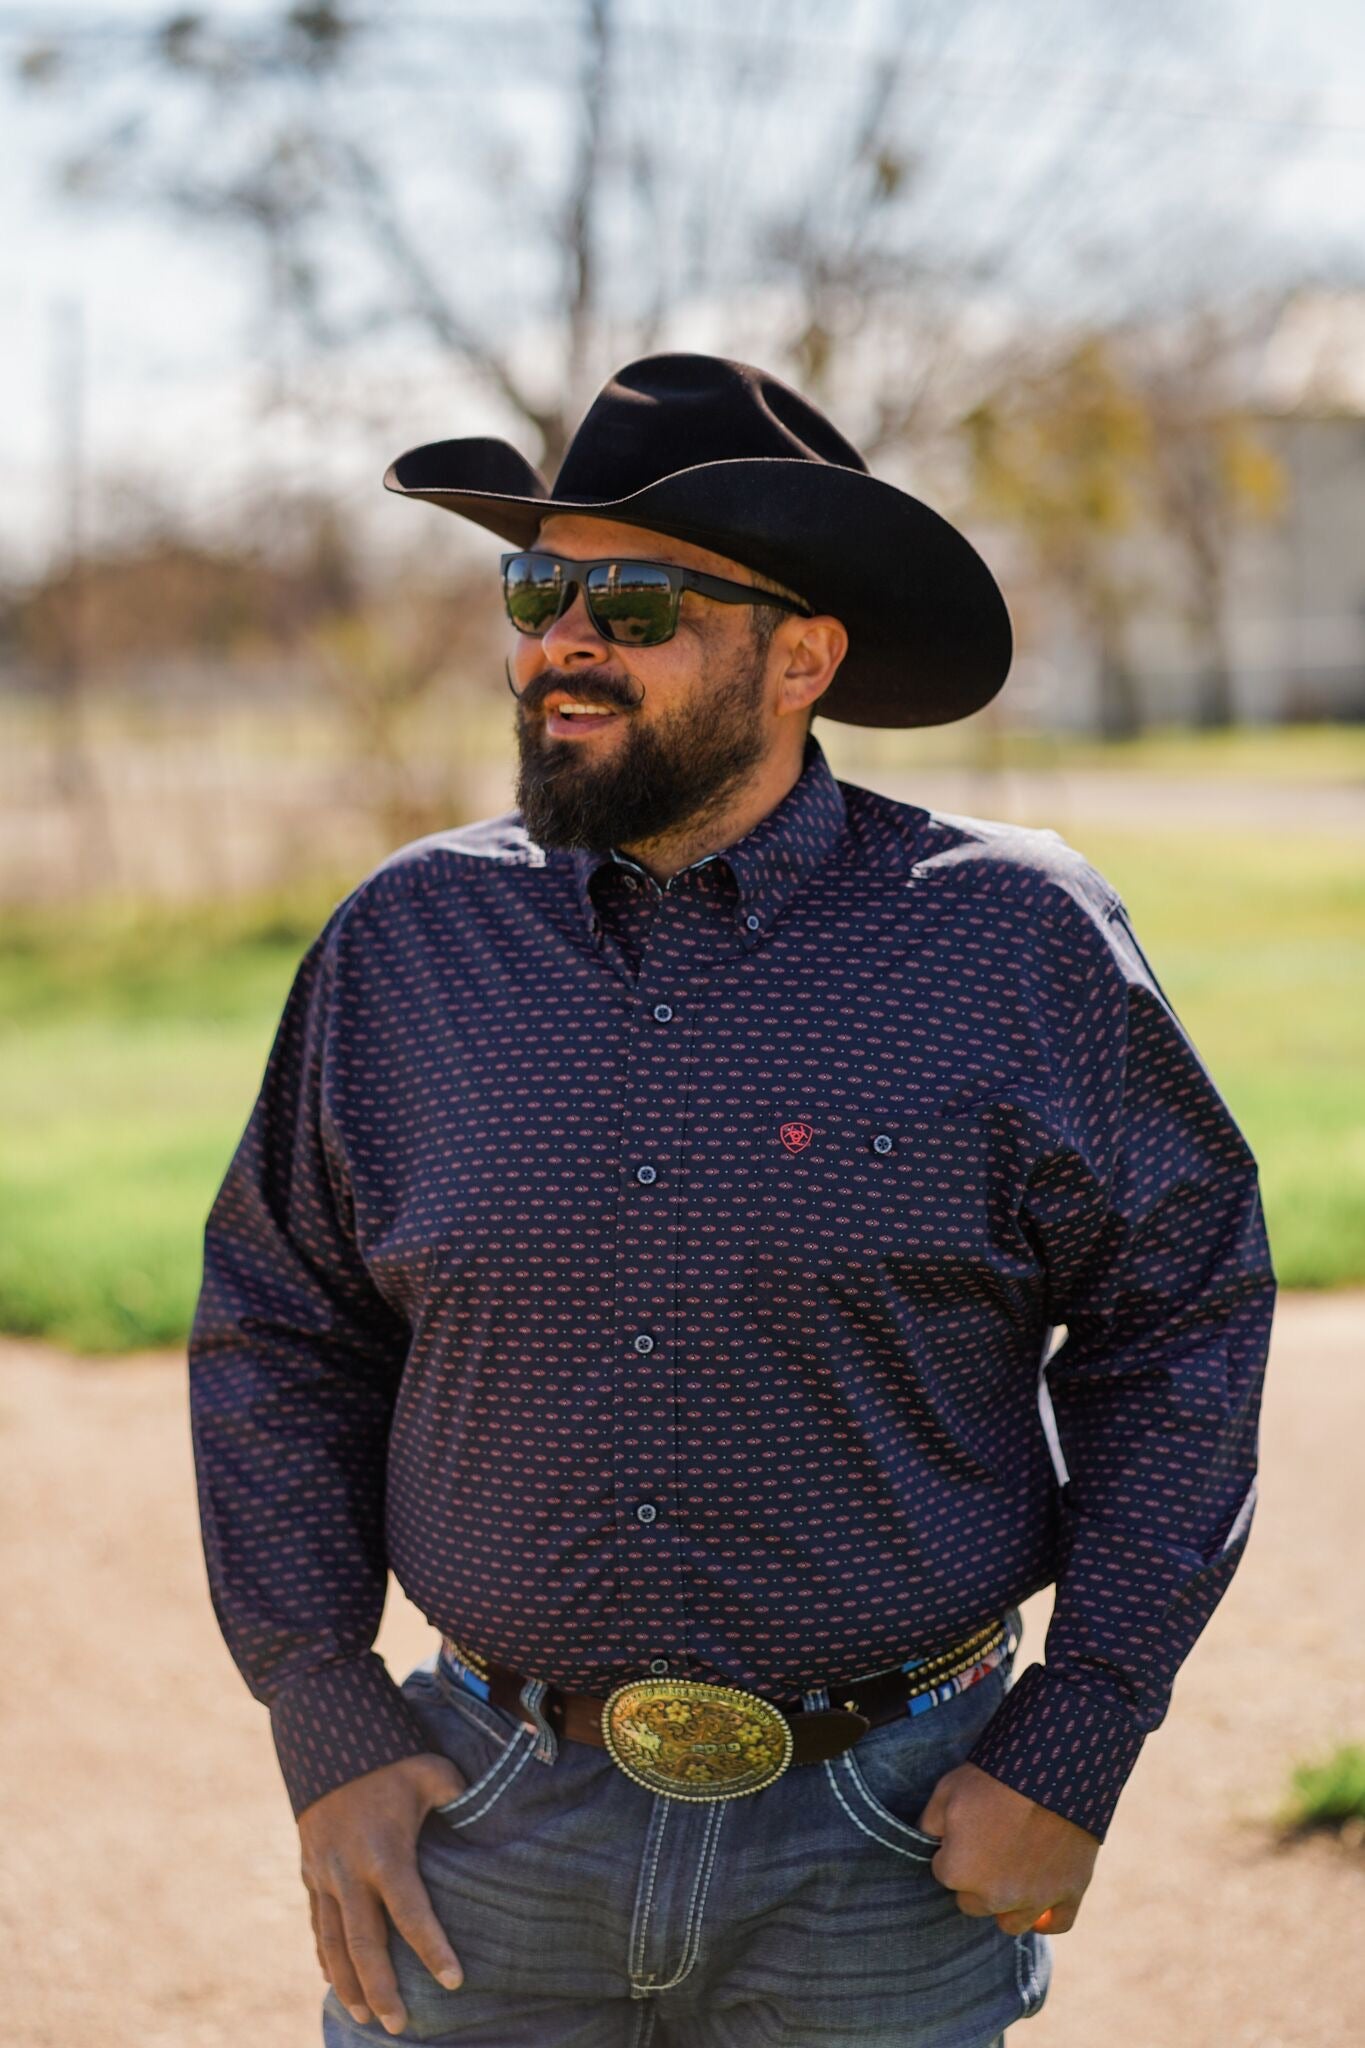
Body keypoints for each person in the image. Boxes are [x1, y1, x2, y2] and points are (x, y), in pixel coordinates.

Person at [188, 353, 1276, 2048]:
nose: (559, 642)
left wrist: (1081, 1730)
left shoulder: (1014, 941)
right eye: (536, 589)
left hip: (890, 1838)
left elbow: (1178, 1319)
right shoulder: (404, 946)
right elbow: (278, 1325)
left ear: (802, 656)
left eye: (628, 602)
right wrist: (323, 1716)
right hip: (485, 1827)